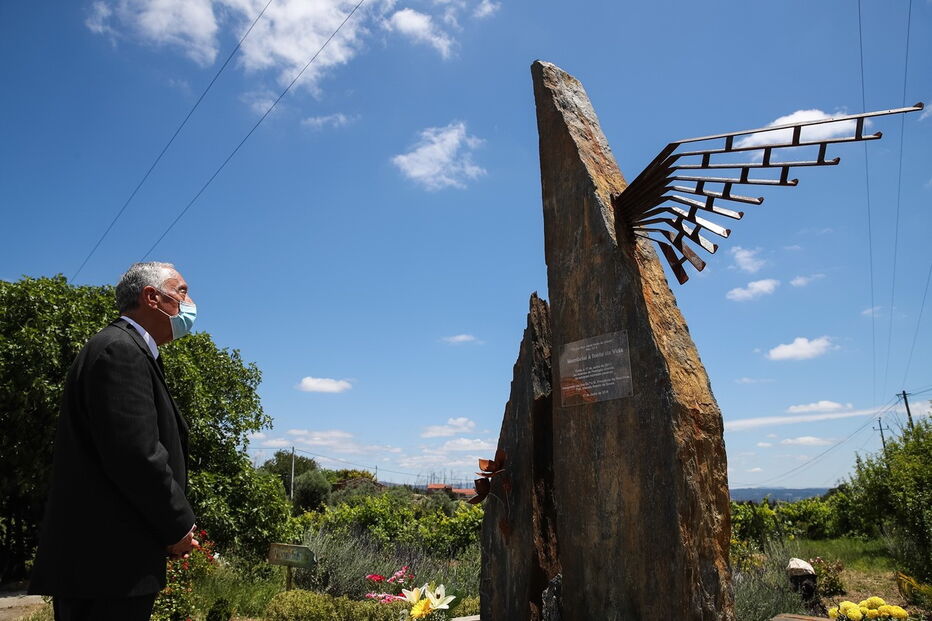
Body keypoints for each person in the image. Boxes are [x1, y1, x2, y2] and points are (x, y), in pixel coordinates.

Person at [29, 262, 200, 621]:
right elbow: (136, 455)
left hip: (103, 567)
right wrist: (177, 526)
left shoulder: (123, 348)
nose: (189, 302)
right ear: (152, 297)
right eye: (181, 291)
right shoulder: (121, 350)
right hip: (109, 567)